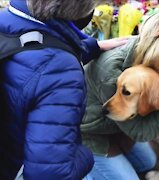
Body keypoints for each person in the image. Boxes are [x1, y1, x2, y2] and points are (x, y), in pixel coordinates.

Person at [0, 0, 127, 179]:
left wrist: (90, 47)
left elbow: (30, 48)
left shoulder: (8, 18)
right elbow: (50, 174)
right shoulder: (60, 69)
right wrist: (85, 154)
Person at [81, 11, 159, 180]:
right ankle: (78, 164)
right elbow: (140, 132)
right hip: (86, 132)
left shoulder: (151, 57)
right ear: (158, 49)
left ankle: (114, 149)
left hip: (115, 126)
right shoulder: (112, 73)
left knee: (147, 163)